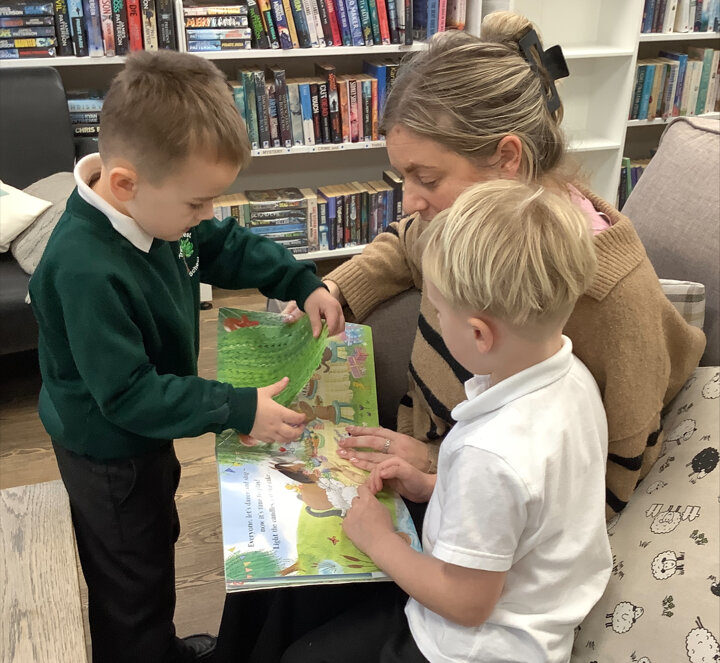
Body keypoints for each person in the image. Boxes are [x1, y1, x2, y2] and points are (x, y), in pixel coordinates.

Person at [283, 12, 705, 520]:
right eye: (402, 177)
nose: (410, 201)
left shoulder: (609, 300)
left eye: (427, 178)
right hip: (426, 444)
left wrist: (439, 469)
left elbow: (610, 478)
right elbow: (404, 243)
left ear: (507, 158)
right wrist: (336, 289)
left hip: (485, 506)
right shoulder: (460, 217)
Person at [29, 51, 343, 663]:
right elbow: (128, 394)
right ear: (125, 184)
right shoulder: (85, 268)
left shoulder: (159, 210)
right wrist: (236, 407)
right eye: (197, 205)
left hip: (143, 431)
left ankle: (158, 645)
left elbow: (223, 244)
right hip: (107, 450)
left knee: (155, 538)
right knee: (130, 577)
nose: (206, 216)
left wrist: (299, 281)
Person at [275, 178, 613, 662]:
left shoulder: (492, 452)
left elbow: (466, 603)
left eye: (437, 309)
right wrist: (435, 486)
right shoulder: (572, 377)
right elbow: (530, 505)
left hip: (471, 647)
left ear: (479, 334)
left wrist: (380, 541)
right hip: (525, 616)